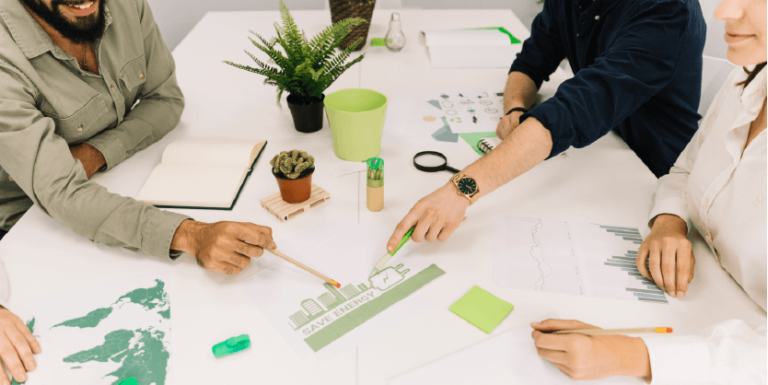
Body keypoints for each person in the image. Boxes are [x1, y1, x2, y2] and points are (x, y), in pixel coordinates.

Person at [0, 0, 276, 382]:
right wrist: (191, 235)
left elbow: (165, 100)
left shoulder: (124, 4)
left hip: (103, 194)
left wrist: (96, 153)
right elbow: (62, 193)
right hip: (20, 228)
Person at [530, 0, 768, 382]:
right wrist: (670, 222)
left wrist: (633, 356)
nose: (722, 12)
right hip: (699, 297)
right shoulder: (751, 77)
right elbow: (687, 167)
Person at [386, 0, 706, 252]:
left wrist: (461, 190)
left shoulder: (666, 10)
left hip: (657, 181)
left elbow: (572, 110)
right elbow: (530, 62)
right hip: (602, 153)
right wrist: (515, 106)